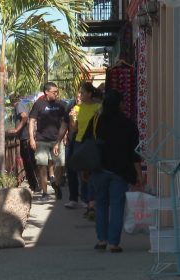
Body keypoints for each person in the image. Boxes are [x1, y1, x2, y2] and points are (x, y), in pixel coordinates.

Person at [84, 90, 143, 253]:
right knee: (117, 206)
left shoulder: (96, 120)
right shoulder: (129, 124)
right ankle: (114, 243)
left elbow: (86, 142)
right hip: (120, 172)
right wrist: (139, 174)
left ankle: (102, 240)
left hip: (99, 170)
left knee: (101, 205)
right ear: (119, 104)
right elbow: (134, 153)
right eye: (122, 102)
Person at [54, 82, 101, 212]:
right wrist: (73, 120)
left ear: (90, 94)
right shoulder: (76, 108)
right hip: (78, 141)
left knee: (87, 171)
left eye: (82, 92)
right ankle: (75, 198)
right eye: (79, 92)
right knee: (74, 168)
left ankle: (88, 199)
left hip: (93, 142)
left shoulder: (98, 107)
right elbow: (74, 129)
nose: (79, 95)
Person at [29, 82, 66, 201]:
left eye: (57, 92)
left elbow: (65, 122)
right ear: (46, 92)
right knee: (42, 166)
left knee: (60, 164)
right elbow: (32, 121)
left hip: (57, 141)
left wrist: (64, 136)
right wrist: (31, 138)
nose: (56, 94)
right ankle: (45, 192)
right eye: (54, 92)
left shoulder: (61, 105)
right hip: (42, 140)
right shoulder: (38, 104)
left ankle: (57, 184)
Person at [8, 93, 40, 192]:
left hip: (25, 137)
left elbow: (25, 117)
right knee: (29, 161)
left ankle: (35, 185)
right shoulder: (22, 105)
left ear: (12, 100)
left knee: (28, 162)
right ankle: (35, 184)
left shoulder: (18, 105)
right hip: (25, 137)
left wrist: (17, 129)